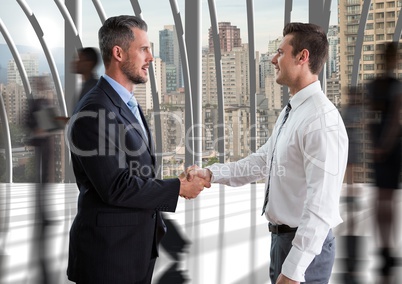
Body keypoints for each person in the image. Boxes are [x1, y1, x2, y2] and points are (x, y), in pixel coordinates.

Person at [187, 22, 348, 283]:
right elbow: (263, 161)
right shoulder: (292, 111)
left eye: (281, 52)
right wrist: (210, 173)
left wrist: (293, 271)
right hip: (282, 242)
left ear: (302, 57)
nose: (273, 59)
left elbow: (321, 206)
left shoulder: (321, 120)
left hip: (304, 250)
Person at [66, 15, 210, 284]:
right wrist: (177, 187)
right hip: (108, 259)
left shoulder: (124, 102)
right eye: (144, 49)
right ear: (118, 53)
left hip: (133, 251)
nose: (151, 58)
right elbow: (116, 186)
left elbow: (136, 171)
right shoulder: (95, 109)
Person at [366, 42, 401, 280]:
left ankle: (384, 248)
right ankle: (387, 249)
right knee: (386, 200)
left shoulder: (373, 87)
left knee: (382, 200)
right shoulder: (396, 87)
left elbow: (370, 119)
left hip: (380, 148)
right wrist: (384, 146)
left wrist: (374, 146)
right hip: (392, 148)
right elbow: (396, 120)